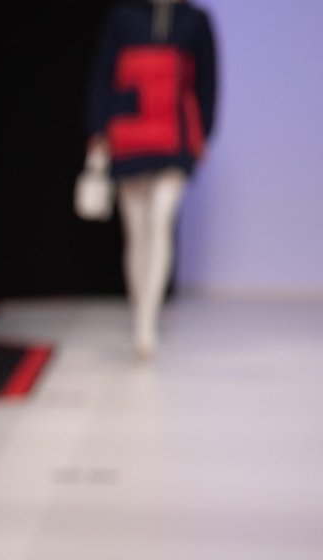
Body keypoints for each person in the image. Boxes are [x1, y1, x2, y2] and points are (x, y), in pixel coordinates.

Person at [85, 0, 218, 360]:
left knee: (160, 223)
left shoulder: (194, 20)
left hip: (175, 136)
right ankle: (140, 315)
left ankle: (147, 323)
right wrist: (98, 130)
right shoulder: (124, 15)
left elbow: (208, 81)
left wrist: (202, 133)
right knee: (137, 232)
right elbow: (103, 72)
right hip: (129, 131)